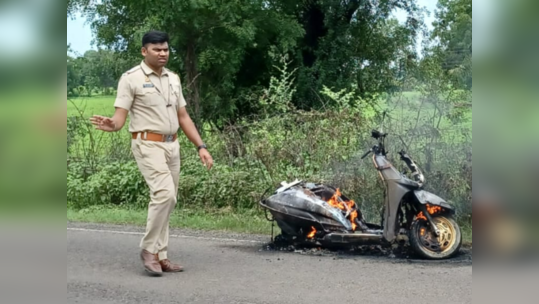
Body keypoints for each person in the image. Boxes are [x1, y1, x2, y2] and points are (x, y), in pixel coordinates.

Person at [90, 30, 213, 277]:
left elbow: (183, 116)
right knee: (164, 194)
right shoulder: (131, 78)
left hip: (172, 145)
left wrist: (201, 146)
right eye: (157, 49)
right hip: (147, 144)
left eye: (165, 49)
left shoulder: (173, 79)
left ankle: (161, 255)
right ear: (144, 51)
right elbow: (119, 119)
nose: (162, 53)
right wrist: (110, 124)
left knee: (169, 201)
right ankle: (148, 250)